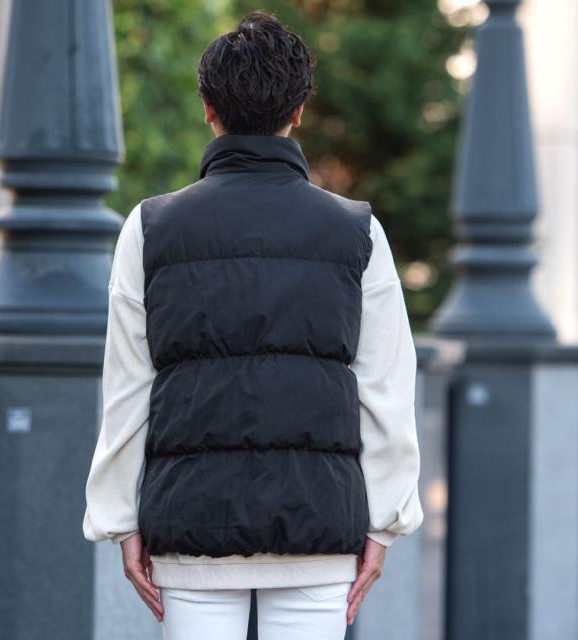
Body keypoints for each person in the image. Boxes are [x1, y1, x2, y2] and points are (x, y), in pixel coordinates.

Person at [83, 10, 423, 639]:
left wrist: (119, 519)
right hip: (320, 524)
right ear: (299, 111)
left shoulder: (151, 228)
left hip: (191, 523)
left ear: (208, 109)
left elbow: (128, 386)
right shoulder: (357, 231)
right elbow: (386, 389)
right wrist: (384, 524)